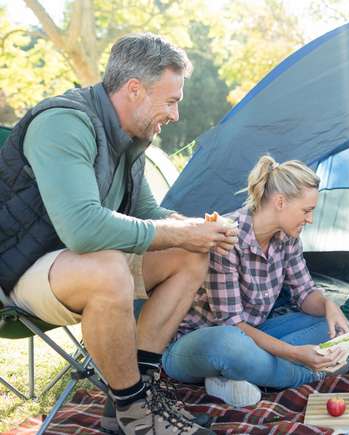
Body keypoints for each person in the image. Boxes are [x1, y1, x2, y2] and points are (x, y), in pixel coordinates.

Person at [0, 33, 234, 435]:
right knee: (108, 267)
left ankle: (138, 395)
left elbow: (147, 215)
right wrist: (176, 231)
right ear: (134, 89)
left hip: (73, 263)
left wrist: (194, 230)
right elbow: (83, 230)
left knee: (187, 254)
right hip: (16, 271)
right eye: (171, 100)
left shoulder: (130, 139)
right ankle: (135, 416)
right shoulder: (63, 123)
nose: (176, 115)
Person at [162, 155, 349, 407]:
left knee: (327, 325)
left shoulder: (288, 238)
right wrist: (296, 354)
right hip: (201, 343)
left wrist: (329, 304)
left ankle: (240, 375)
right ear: (280, 202)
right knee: (230, 347)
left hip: (253, 335)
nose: (310, 219)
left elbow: (305, 293)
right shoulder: (227, 237)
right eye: (306, 211)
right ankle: (313, 372)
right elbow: (233, 325)